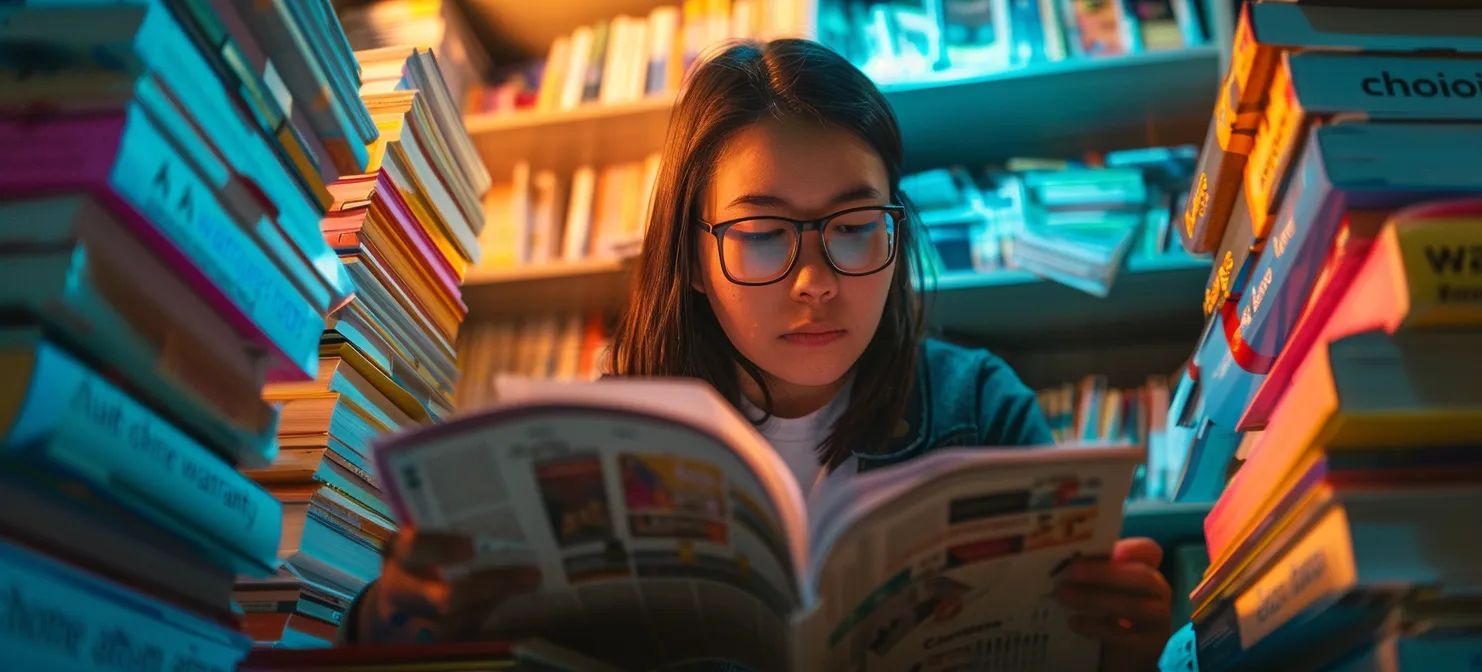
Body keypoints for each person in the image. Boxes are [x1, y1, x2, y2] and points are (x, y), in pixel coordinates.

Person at [342, 38, 1177, 671]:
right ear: (696, 261)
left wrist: (1120, 649)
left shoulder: (981, 409)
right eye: (763, 234)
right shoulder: (585, 443)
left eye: (854, 229)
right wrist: (394, 618)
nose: (816, 281)